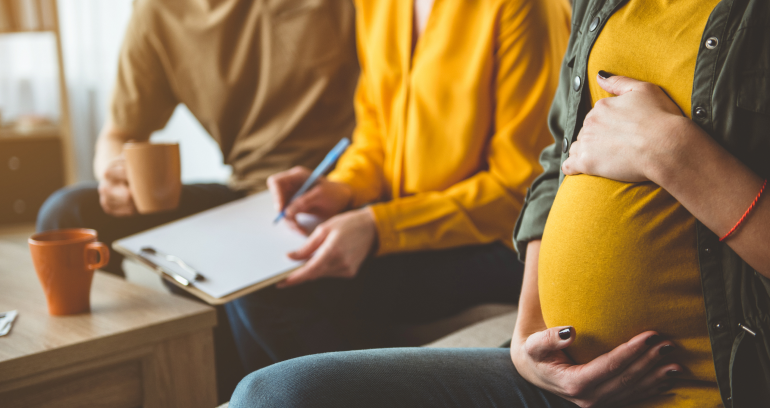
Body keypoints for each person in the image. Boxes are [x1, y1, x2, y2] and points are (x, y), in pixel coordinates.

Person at [228, 0, 770, 406]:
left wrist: (671, 151)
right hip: (551, 367)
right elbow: (554, 163)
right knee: (267, 386)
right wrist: (525, 339)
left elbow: (511, 184)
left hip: (706, 376)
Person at [223, 0, 571, 373]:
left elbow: (518, 190)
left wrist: (377, 227)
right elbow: (374, 131)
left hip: (501, 242)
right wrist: (342, 187)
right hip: (409, 221)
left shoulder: (521, 8)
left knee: (267, 295)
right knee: (240, 279)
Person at [36, 0, 358, 401]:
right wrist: (115, 175)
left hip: (337, 187)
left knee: (245, 266)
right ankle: (112, 381)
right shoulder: (159, 12)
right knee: (68, 212)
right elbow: (116, 134)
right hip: (245, 192)